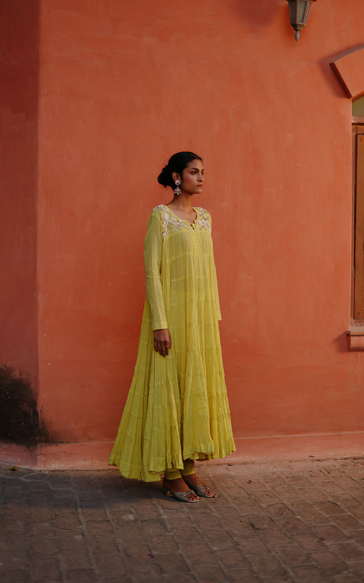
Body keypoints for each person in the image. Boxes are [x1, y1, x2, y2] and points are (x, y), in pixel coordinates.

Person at [109, 151, 235, 502]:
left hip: (200, 321)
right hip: (170, 320)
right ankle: (170, 475)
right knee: (169, 391)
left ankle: (189, 468)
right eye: (194, 172)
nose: (201, 178)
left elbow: (209, 273)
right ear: (177, 177)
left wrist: (212, 319)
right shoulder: (160, 217)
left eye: (203, 172)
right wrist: (160, 324)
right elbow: (152, 272)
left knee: (193, 389)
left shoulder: (205, 218)